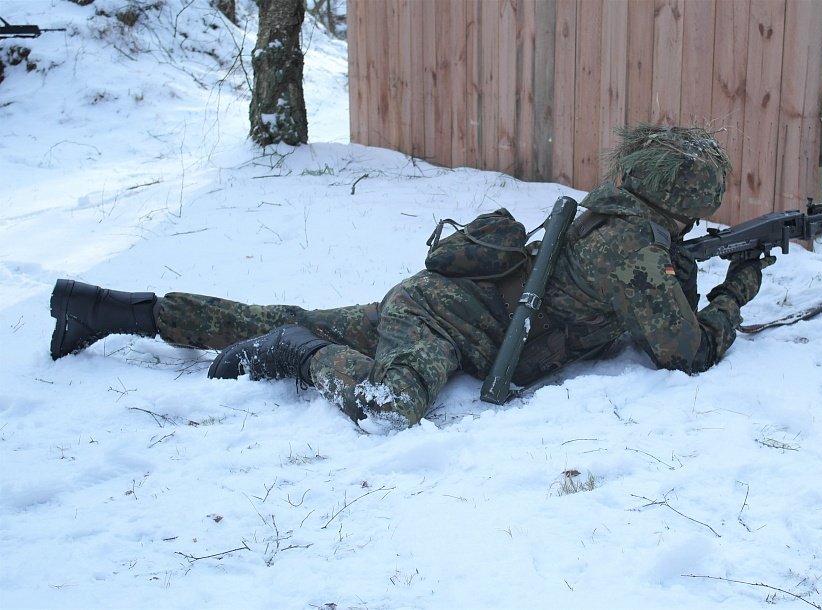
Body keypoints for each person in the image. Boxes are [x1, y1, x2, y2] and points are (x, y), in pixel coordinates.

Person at [48, 125, 774, 427]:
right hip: (441, 321)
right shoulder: (633, 251)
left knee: (270, 308)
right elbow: (687, 353)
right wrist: (737, 291)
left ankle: (106, 310)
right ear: (682, 196)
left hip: (442, 303)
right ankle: (300, 353)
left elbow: (647, 303)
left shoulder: (615, 218)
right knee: (389, 402)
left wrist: (689, 268)